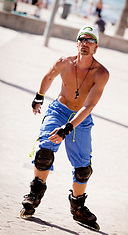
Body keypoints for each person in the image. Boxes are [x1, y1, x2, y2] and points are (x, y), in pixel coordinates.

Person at [20, 26, 109, 228]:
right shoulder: (64, 62)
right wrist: (39, 97)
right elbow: (49, 76)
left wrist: (67, 129)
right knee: (44, 152)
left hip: (81, 119)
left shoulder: (102, 73)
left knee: (83, 169)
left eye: (90, 40)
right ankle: (34, 194)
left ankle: (78, 206)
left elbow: (89, 106)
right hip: (58, 110)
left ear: (96, 46)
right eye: (82, 39)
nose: (85, 43)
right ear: (77, 43)